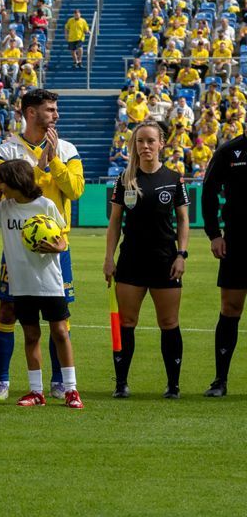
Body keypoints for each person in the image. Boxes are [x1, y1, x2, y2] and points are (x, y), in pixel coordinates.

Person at [0, 89, 83, 399]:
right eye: (50, 110)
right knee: (7, 311)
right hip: (16, 245)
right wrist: (42, 167)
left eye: (56, 109)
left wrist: (53, 162)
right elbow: (17, 189)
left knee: (60, 317)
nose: (56, 115)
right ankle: (2, 381)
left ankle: (60, 382)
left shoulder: (68, 149)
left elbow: (75, 189)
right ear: (31, 112)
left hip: (56, 244)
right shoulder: (5, 151)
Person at [0, 159, 81, 408]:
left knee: (60, 333)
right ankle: (36, 392)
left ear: (17, 182)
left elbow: (62, 240)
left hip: (49, 283)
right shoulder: (4, 208)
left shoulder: (46, 205)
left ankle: (71, 390)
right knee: (31, 335)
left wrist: (59, 246)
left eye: (2, 180)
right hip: (21, 285)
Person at [105, 120, 189, 398]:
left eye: (150, 141)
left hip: (165, 260)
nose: (145, 146)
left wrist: (181, 254)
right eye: (140, 141)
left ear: (161, 143)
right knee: (126, 322)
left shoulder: (174, 178)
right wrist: (109, 257)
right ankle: (121, 384)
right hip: (131, 261)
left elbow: (183, 220)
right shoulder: (124, 179)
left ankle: (173, 386)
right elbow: (115, 221)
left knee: (169, 323)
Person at [198, 128, 247, 397]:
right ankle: (220, 380)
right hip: (237, 242)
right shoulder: (229, 151)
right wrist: (215, 234)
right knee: (230, 308)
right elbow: (208, 192)